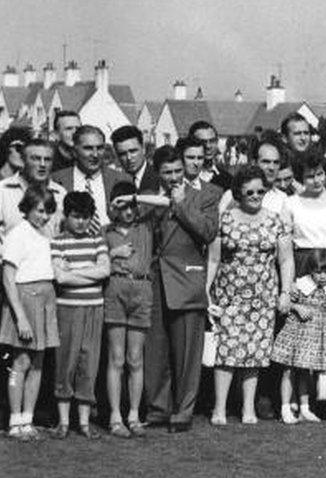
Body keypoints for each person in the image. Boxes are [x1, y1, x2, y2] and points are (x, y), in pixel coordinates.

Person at [207, 165, 294, 425]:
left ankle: (248, 409)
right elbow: (213, 258)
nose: (256, 195)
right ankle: (219, 408)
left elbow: (286, 260)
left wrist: (285, 292)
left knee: (255, 352)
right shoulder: (225, 218)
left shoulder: (275, 219)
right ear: (238, 193)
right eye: (250, 192)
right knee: (227, 350)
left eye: (260, 191)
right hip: (230, 294)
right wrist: (206, 291)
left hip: (263, 295)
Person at [142, 145, 220, 432]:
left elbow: (208, 232)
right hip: (154, 281)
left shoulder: (206, 196)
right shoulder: (149, 198)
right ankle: (158, 409)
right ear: (157, 172)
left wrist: (180, 204)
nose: (174, 177)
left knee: (187, 351)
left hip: (187, 280)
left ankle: (183, 412)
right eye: (167, 172)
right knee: (155, 350)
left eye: (178, 171)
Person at [280, 152, 326, 422]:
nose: (317, 180)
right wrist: (289, 282)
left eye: (321, 174)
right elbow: (285, 243)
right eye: (310, 175)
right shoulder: (291, 202)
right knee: (299, 331)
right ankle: (295, 400)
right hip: (302, 263)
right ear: (301, 177)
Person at [50, 192, 110, 439]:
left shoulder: (98, 240)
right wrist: (90, 271)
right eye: (76, 217)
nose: (81, 222)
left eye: (86, 217)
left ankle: (84, 423)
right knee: (66, 362)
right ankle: (64, 422)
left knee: (89, 362)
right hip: (67, 309)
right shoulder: (57, 242)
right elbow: (60, 277)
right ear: (66, 216)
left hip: (94, 308)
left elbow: (105, 270)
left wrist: (74, 272)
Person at [1, 187, 59, 441]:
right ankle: (15, 422)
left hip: (46, 297)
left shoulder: (44, 233)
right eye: (40, 211)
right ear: (27, 208)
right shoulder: (17, 234)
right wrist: (21, 316)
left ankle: (27, 419)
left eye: (48, 211)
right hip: (25, 300)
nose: (44, 216)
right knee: (21, 362)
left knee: (37, 363)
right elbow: (8, 278)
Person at [103, 182, 155, 438]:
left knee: (136, 358)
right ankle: (115, 415)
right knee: (117, 358)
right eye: (121, 205)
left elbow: (168, 202)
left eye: (131, 205)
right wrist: (114, 252)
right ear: (113, 207)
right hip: (115, 289)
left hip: (142, 289)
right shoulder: (106, 231)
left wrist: (133, 195)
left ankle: (134, 414)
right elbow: (94, 259)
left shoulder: (145, 227)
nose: (128, 211)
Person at [271, 248, 326, 424]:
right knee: (288, 370)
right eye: (318, 272)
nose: (322, 276)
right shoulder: (300, 284)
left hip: (317, 333)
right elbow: (284, 302)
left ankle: (304, 408)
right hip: (297, 331)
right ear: (311, 271)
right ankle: (285, 407)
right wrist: (297, 307)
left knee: (305, 371)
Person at [51, 125, 128, 233]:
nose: (95, 155)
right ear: (74, 150)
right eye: (88, 148)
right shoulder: (57, 180)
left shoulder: (121, 179)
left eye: (100, 148)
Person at [0, 138, 67, 236]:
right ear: (23, 161)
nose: (42, 164)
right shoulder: (2, 191)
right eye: (36, 159)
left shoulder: (60, 193)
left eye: (47, 160)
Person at [219, 139, 288, 216]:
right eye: (266, 162)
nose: (272, 167)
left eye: (276, 162)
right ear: (254, 162)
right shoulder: (231, 196)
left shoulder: (283, 198)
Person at [111, 125, 162, 192]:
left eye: (133, 151)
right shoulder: (115, 183)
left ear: (143, 149)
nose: (129, 158)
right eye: (123, 154)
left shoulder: (160, 178)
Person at [189, 120, 232, 190]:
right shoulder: (181, 177)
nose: (208, 146)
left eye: (212, 141)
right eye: (202, 142)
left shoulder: (228, 180)